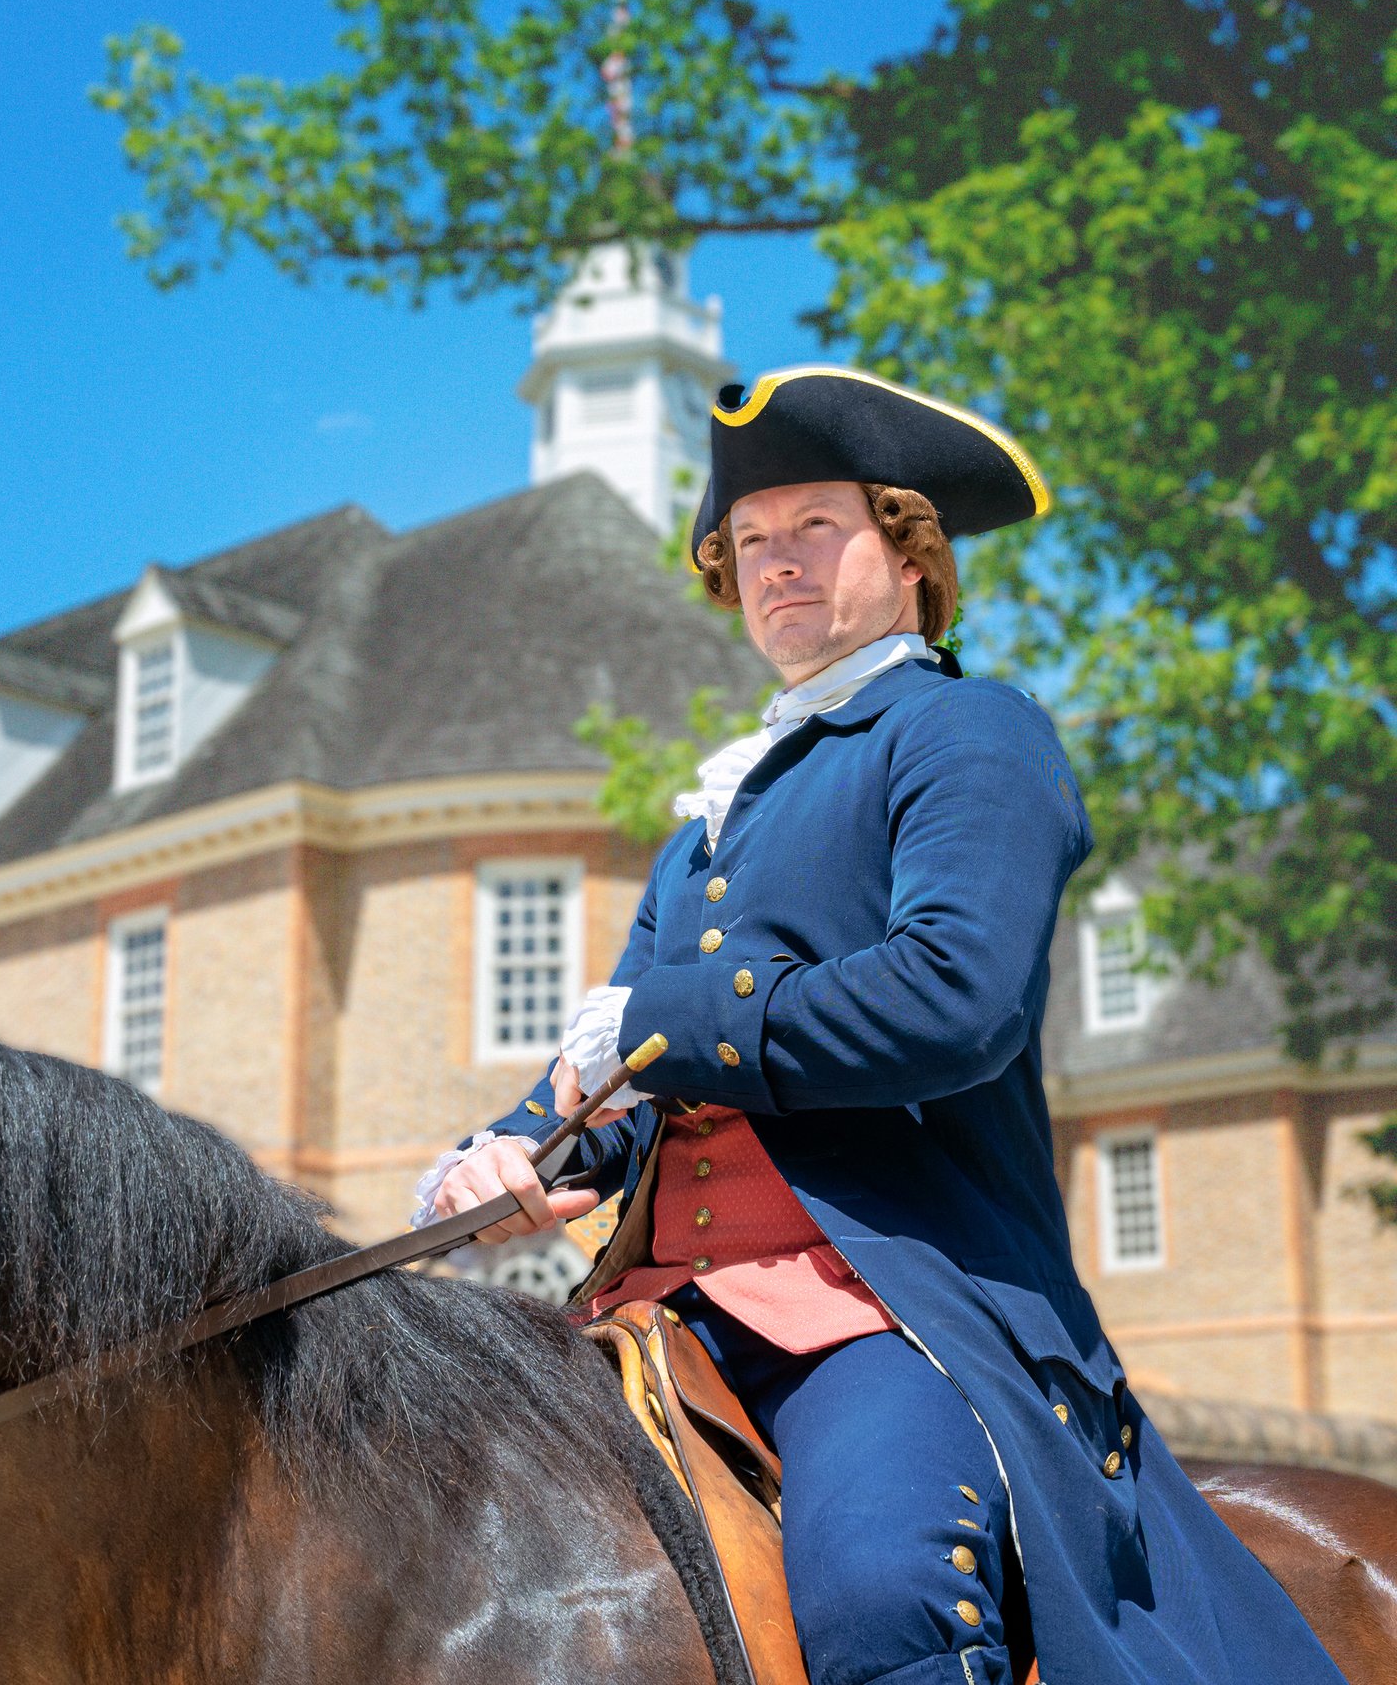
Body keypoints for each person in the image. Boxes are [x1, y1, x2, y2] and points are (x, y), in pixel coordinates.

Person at [414, 367, 1346, 1685]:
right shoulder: (706, 827)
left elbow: (953, 998)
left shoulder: (968, 735)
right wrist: (512, 1157)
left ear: (910, 553)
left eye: (813, 531)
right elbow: (622, 1075)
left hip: (884, 1301)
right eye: (749, 546)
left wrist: (659, 1018)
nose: (775, 567)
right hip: (654, 1306)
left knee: (881, 1595)